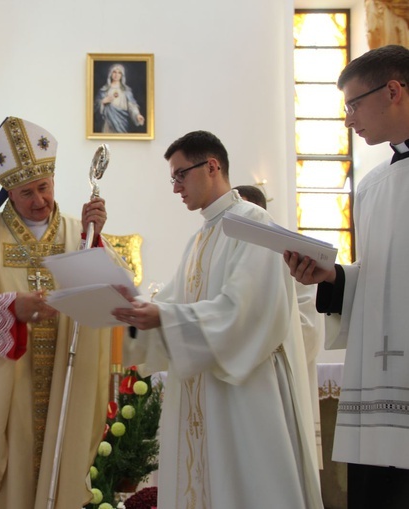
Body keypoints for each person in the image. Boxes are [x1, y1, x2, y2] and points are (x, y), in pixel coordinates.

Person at [0, 116, 125, 509]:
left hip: (65, 378)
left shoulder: (75, 232)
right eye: (26, 192)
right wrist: (12, 306)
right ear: (8, 193)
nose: (38, 200)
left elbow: (113, 292)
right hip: (4, 377)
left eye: (44, 188)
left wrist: (95, 239)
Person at [113, 131, 323, 508]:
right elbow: (173, 303)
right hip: (206, 388)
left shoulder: (253, 222)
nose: (176, 187)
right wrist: (133, 312)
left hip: (245, 389)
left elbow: (245, 310)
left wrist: (163, 314)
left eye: (180, 175)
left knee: (245, 487)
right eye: (172, 178)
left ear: (212, 166)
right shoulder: (200, 239)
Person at [284, 44, 409, 508]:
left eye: (353, 104)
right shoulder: (374, 185)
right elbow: (383, 279)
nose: (348, 119)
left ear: (393, 91)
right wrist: (334, 277)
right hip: (379, 376)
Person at [234, 184, 326, 466]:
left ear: (258, 211)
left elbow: (308, 328)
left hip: (280, 386)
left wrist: (250, 333)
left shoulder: (296, 253)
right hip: (240, 389)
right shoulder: (233, 259)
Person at [95, 63, 145, 133]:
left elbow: (132, 105)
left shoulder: (126, 90)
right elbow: (94, 107)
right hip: (109, 122)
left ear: (122, 75)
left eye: (119, 73)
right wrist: (103, 101)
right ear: (110, 73)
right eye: (114, 72)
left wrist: (137, 115)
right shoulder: (104, 90)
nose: (116, 75)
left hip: (122, 122)